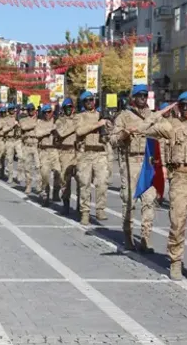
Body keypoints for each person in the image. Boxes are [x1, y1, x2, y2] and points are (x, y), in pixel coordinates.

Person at [138, 92, 187, 286]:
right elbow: (144, 127)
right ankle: (175, 262)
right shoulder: (170, 126)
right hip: (180, 180)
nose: (185, 109)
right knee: (177, 224)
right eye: (181, 106)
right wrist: (162, 112)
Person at [110, 84, 158, 251]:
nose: (143, 98)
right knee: (129, 201)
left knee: (149, 201)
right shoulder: (124, 116)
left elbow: (162, 140)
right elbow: (113, 140)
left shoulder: (153, 116)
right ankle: (128, 236)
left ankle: (145, 237)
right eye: (139, 96)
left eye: (145, 95)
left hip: (148, 163)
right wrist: (125, 134)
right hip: (130, 162)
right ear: (133, 98)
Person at [75, 91, 111, 224]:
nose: (89, 102)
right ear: (83, 103)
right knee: (84, 184)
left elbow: (109, 134)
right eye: (86, 100)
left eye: (91, 99)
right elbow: (79, 131)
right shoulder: (80, 116)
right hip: (86, 153)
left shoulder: (101, 116)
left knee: (102, 182)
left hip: (100, 153)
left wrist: (108, 127)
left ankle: (100, 209)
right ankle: (85, 212)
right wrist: (98, 124)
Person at [34, 104, 61, 206]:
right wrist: (50, 130)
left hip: (55, 151)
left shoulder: (57, 121)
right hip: (44, 151)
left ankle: (56, 192)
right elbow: (37, 133)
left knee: (58, 173)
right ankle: (46, 193)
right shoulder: (39, 123)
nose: (47, 114)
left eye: (49, 112)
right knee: (45, 174)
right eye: (45, 112)